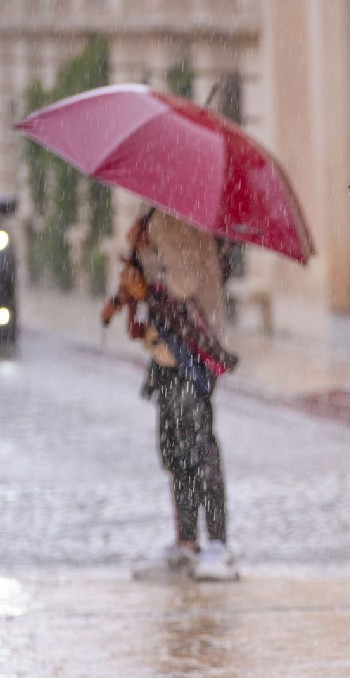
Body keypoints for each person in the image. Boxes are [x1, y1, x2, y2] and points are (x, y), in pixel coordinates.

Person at [103, 209, 239, 582]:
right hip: (167, 354)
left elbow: (181, 286)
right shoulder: (159, 215)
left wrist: (146, 268)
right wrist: (141, 253)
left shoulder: (185, 219)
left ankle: (218, 546)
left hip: (193, 354)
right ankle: (187, 545)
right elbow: (158, 282)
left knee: (199, 447)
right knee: (176, 450)